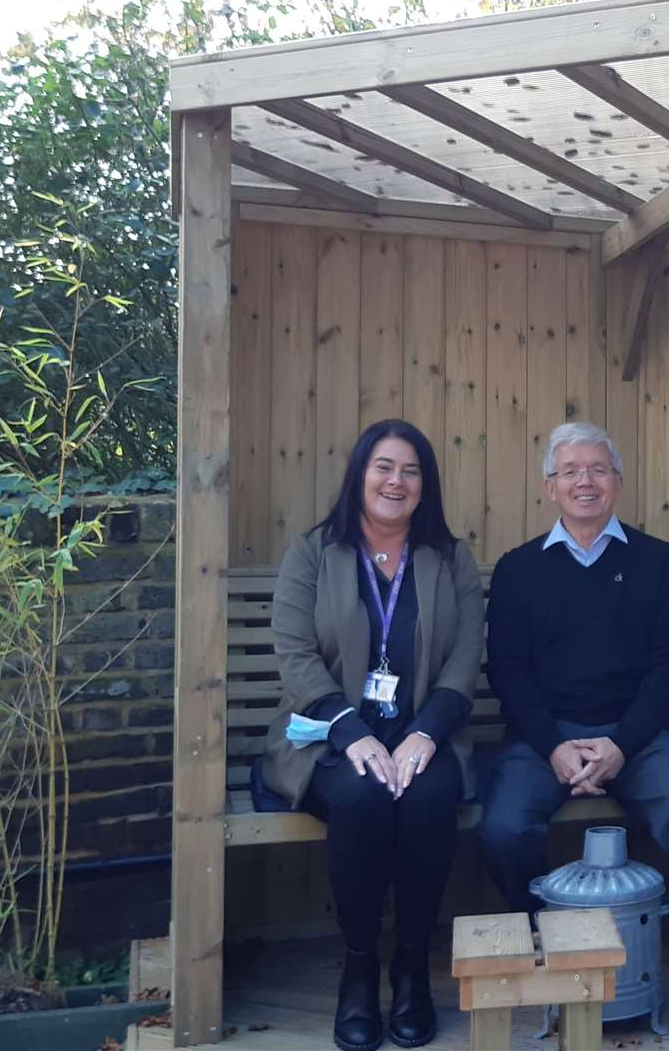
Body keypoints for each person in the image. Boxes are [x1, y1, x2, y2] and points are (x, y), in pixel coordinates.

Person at [480, 421, 669, 1051]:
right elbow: (507, 670)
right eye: (571, 472)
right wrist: (554, 745)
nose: (586, 481)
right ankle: (542, 945)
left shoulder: (659, 562)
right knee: (501, 826)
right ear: (549, 487)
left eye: (598, 469)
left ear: (617, 481)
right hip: (542, 740)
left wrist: (620, 746)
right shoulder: (517, 569)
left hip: (636, 740)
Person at [259, 419, 483, 1051]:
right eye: (384, 467)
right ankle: (359, 969)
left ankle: (411, 968)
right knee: (361, 799)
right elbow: (296, 655)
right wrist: (351, 732)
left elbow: (465, 659)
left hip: (422, 733)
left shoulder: (451, 559)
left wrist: (427, 735)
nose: (396, 481)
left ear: (425, 485)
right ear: (360, 474)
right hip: (327, 736)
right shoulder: (313, 553)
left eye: (411, 471)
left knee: (428, 798)